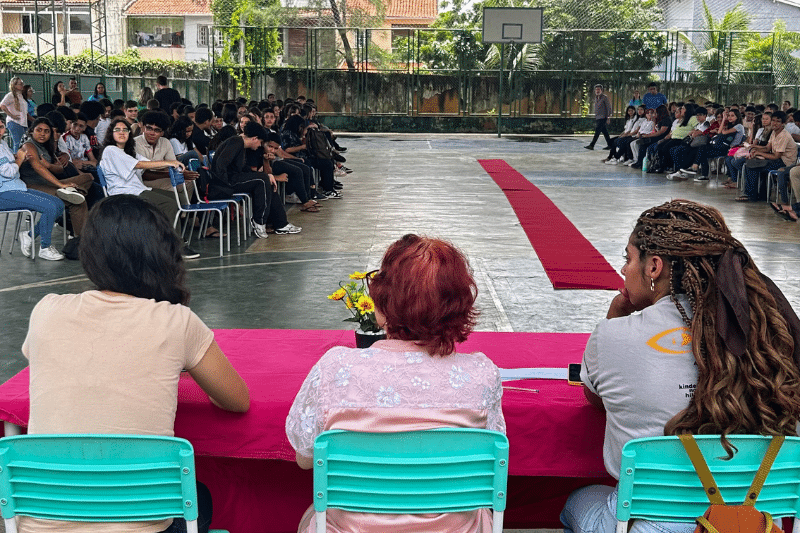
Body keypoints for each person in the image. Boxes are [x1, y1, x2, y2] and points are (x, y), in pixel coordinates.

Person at [561, 200, 800, 533]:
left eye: (628, 259)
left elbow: (596, 399)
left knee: (577, 501)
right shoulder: (769, 337)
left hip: (653, 523)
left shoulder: (613, 335)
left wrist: (615, 318)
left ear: (654, 267)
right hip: (752, 521)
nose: (623, 271)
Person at [21, 193, 250, 532]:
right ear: (162, 254)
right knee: (198, 497)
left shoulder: (46, 310)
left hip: (39, 521)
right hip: (140, 524)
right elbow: (237, 400)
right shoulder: (177, 322)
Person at [286, 234, 505, 533]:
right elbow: (489, 457)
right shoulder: (483, 375)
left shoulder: (335, 370)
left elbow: (305, 458)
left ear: (382, 301)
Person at [98, 117, 199, 259]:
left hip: (138, 189)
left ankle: (160, 238)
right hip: (124, 194)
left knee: (179, 198)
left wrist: (175, 165)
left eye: (125, 130)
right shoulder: (110, 150)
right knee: (169, 204)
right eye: (117, 130)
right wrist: (170, 161)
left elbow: (150, 162)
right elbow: (139, 165)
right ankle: (174, 247)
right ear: (111, 133)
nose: (122, 133)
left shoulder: (128, 151)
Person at [210, 121, 299, 238]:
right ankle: (259, 221)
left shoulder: (240, 145)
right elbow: (221, 165)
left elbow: (243, 168)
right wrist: (225, 187)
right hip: (225, 183)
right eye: (260, 142)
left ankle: (281, 223)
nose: (260, 146)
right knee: (262, 180)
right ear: (255, 138)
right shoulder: (235, 142)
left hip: (233, 179)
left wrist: (267, 175)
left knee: (265, 180)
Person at [0, 117, 65, 260]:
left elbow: (10, 161)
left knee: (59, 204)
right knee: (49, 207)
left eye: (1, 127)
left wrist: (16, 156)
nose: (0, 131)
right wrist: (19, 159)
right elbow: (9, 171)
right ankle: (45, 247)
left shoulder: (3, 143)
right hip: (4, 194)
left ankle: (29, 235)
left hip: (17, 187)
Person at [18, 117, 92, 237]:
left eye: (46, 131)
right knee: (78, 201)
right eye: (39, 130)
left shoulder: (47, 147)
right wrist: (61, 185)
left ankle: (73, 193)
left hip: (50, 184)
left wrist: (48, 165)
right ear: (32, 131)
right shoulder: (28, 146)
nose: (42, 134)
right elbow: (39, 168)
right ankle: (80, 240)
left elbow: (60, 168)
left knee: (88, 177)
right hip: (33, 187)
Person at [1, 77, 29, 152]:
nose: (22, 85)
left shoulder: (21, 96)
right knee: (18, 143)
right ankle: (17, 161)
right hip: (15, 122)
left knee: (22, 143)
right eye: (20, 84)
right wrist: (11, 115)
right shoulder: (10, 95)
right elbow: (2, 105)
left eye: (22, 83)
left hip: (23, 123)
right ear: (14, 85)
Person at [585, 84, 612, 151]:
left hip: (603, 117)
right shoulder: (596, 98)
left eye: (598, 89)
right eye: (596, 89)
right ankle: (610, 145)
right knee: (605, 132)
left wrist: (608, 117)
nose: (597, 91)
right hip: (598, 117)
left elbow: (608, 107)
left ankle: (592, 145)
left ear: (601, 90)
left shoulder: (604, 97)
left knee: (597, 131)